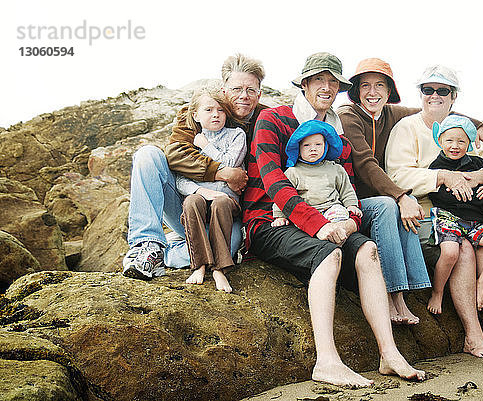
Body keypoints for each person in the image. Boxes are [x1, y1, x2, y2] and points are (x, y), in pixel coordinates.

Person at [243, 52, 425, 387]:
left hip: (330, 218)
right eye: (319, 80)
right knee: (331, 254)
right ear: (305, 84)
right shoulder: (273, 118)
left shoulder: (336, 135)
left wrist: (352, 221)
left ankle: (389, 353)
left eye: (333, 82)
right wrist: (320, 225)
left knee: (368, 250)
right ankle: (326, 362)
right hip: (270, 222)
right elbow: (273, 179)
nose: (326, 87)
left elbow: (349, 186)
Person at [337, 58, 483, 324]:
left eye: (380, 86)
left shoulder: (393, 114)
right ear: (356, 91)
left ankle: (404, 298)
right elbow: (365, 163)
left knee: (409, 213)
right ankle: (391, 296)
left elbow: (438, 111)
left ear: (389, 92)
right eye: (365, 86)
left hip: (387, 196)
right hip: (356, 198)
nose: (372, 92)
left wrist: (476, 124)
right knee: (395, 206)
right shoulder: (349, 115)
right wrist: (399, 196)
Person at [385, 64, 483, 357]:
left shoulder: (464, 130)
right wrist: (442, 177)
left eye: (442, 90)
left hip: (469, 213)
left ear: (453, 96)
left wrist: (479, 178)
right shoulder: (406, 128)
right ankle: (473, 336)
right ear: (420, 94)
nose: (434, 95)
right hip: (427, 215)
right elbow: (395, 175)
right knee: (465, 250)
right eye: (427, 90)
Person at [122, 54, 266, 280]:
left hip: (227, 212)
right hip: (187, 204)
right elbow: (176, 155)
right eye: (237, 88)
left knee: (225, 253)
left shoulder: (265, 119)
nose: (243, 96)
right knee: (148, 155)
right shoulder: (199, 112)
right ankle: (146, 245)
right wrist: (223, 173)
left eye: (250, 90)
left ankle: (167, 252)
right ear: (224, 88)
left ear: (259, 92)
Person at [426, 115, 483, 315]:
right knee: (450, 252)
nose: (455, 146)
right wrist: (473, 194)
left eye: (461, 141)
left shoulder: (478, 164)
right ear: (440, 141)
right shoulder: (436, 167)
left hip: (477, 220)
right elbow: (444, 199)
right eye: (449, 141)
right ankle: (437, 292)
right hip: (449, 217)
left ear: (469, 143)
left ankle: (482, 283)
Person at [174, 86, 246, 292]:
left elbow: (231, 163)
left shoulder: (236, 135)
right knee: (191, 201)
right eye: (209, 110)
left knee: (221, 201)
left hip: (227, 202)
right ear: (195, 115)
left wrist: (205, 145)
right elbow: (181, 179)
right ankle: (200, 265)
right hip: (201, 197)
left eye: (221, 110)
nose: (216, 114)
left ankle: (219, 270)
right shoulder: (190, 141)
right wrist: (204, 192)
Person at [272, 119, 362, 227]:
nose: (313, 149)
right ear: (298, 149)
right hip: (307, 212)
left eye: (318, 144)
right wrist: (279, 216)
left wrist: (351, 205)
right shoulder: (293, 172)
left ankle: (336, 235)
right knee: (301, 224)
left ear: (326, 147)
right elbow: (282, 195)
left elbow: (346, 190)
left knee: (341, 218)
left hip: (331, 208)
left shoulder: (335, 169)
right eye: (307, 145)